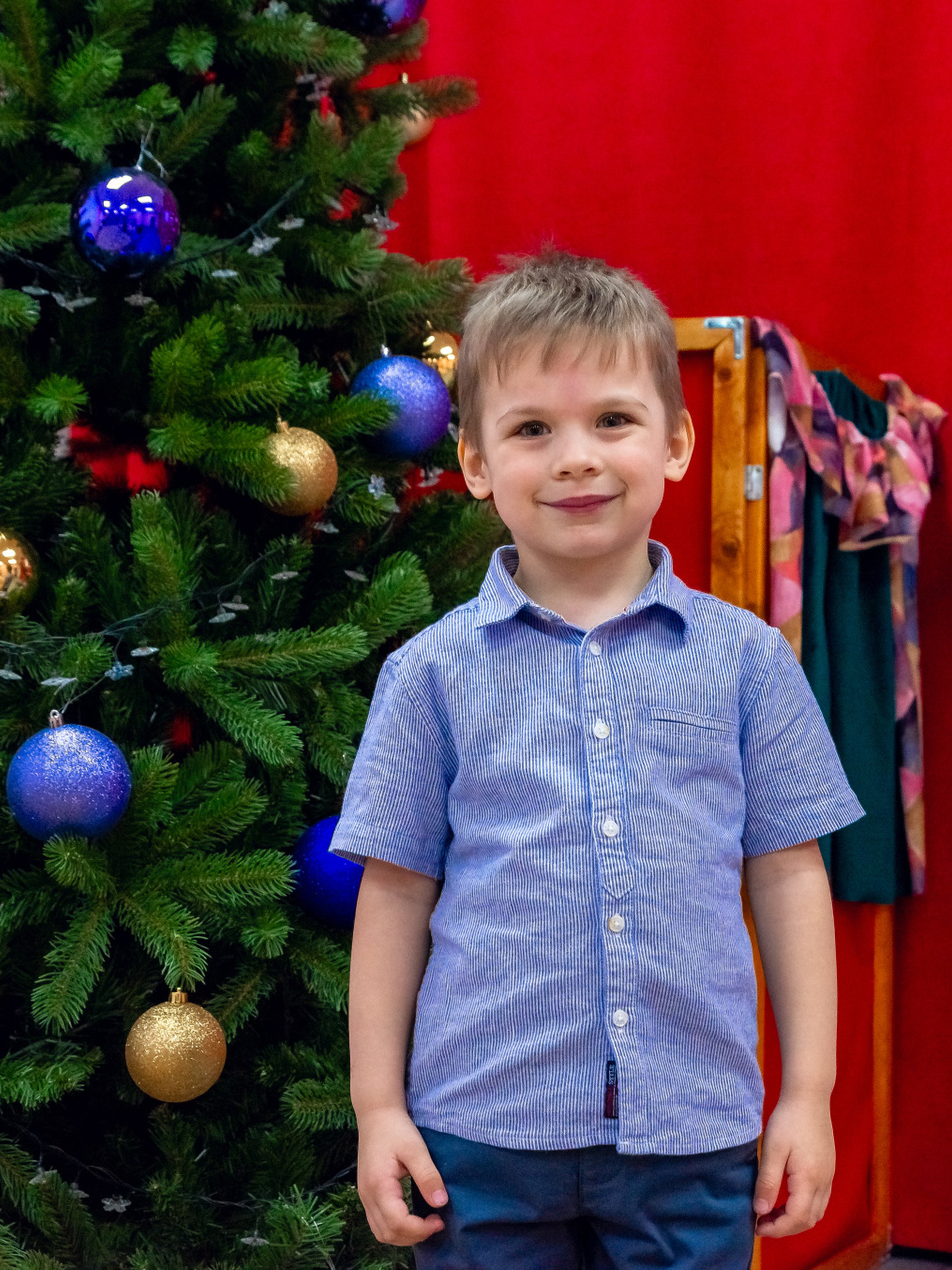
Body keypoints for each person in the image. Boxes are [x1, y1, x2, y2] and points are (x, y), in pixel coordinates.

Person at [335, 249, 864, 1269]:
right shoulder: (429, 673)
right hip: (479, 1134)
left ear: (676, 442)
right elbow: (394, 893)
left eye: (613, 420)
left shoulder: (748, 661)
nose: (576, 458)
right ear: (475, 464)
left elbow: (790, 875)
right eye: (532, 429)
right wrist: (378, 1108)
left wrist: (807, 1093)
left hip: (693, 1129)